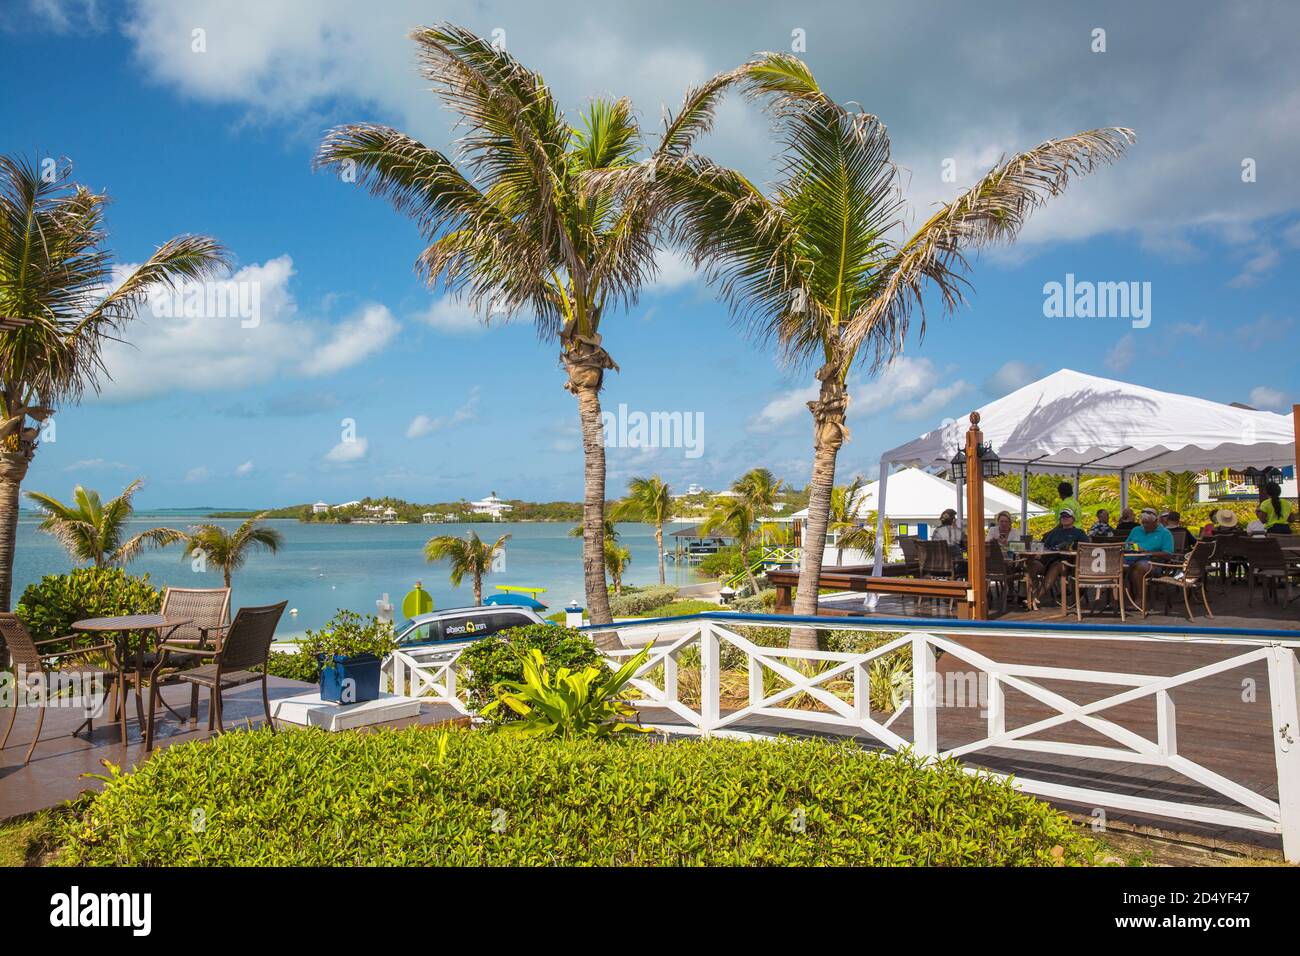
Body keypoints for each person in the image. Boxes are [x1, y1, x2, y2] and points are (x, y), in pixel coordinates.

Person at [1030, 509, 1090, 606]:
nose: (1064, 518)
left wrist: (1072, 548)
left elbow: (1086, 547)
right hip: (1048, 560)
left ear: (1073, 519)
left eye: (1067, 516)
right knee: (1029, 565)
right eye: (1062, 516)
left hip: (1069, 563)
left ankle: (1036, 598)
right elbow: (1043, 546)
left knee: (1057, 566)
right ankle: (1025, 596)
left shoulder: (1079, 532)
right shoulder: (1054, 532)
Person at [1125, 507, 1175, 602]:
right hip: (1131, 559)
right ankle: (1115, 601)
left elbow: (1168, 554)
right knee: (1115, 566)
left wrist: (1148, 552)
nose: (1145, 525)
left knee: (1139, 567)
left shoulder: (1165, 533)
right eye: (1143, 523)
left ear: (1156, 521)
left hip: (1154, 562)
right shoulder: (1136, 530)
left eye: (1147, 523)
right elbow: (1126, 545)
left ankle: (1140, 600)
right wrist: (1131, 548)